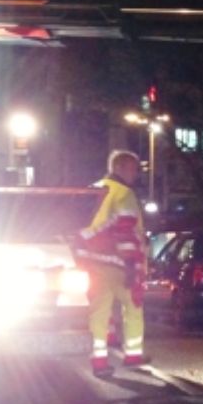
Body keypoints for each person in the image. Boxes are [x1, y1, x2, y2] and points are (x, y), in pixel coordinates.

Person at [75, 150, 147, 377]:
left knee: (99, 310)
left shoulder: (92, 189)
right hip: (118, 263)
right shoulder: (124, 193)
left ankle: (99, 359)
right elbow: (126, 229)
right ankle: (133, 355)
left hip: (92, 263)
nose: (135, 174)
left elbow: (79, 226)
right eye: (133, 169)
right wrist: (132, 264)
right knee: (133, 306)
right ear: (120, 168)